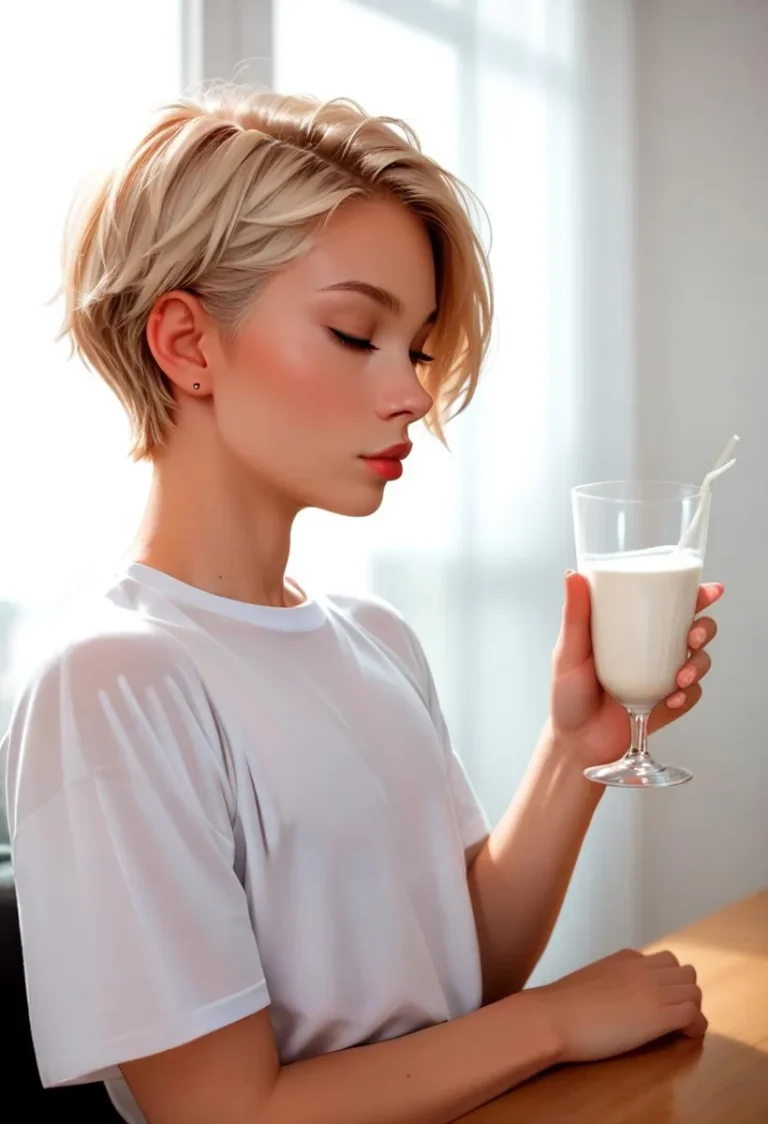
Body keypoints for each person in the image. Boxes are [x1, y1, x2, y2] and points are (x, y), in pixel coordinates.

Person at [2, 86, 721, 1124]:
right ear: (188, 344)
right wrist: (558, 1020)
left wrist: (578, 752)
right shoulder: (115, 676)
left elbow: (460, 972)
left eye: (420, 347)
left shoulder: (375, 637)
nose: (414, 391)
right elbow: (222, 1110)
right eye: (355, 333)